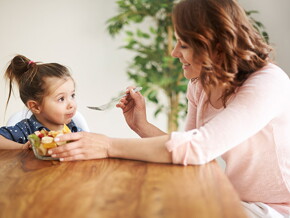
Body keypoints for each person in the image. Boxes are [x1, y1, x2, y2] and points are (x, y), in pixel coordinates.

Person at [48, 0, 290, 217]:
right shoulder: (201, 85)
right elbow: (189, 148)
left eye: (183, 45)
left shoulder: (269, 83)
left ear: (214, 47)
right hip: (236, 200)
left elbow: (197, 148)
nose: (174, 53)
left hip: (276, 208)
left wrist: (107, 145)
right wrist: (141, 125)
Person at [0, 55, 82, 149]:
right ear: (35, 107)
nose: (71, 104)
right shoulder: (25, 130)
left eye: (72, 96)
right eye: (61, 99)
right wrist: (22, 147)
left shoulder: (75, 130)